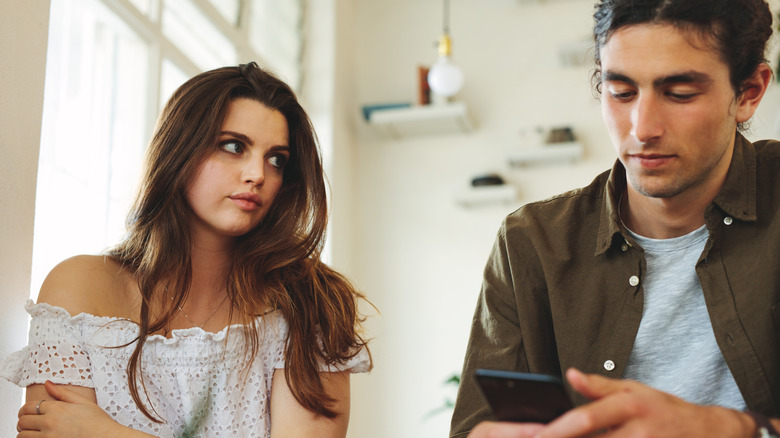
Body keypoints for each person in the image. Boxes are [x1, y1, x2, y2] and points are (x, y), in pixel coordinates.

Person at [450, 0, 780, 437]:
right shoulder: (531, 242)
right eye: (621, 92)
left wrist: (730, 429)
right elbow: (477, 426)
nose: (642, 128)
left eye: (680, 93)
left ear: (749, 92)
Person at [1, 62, 371, 437]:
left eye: (276, 159)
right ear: (180, 150)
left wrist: (108, 433)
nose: (258, 174)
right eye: (233, 146)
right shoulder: (77, 290)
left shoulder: (310, 305)